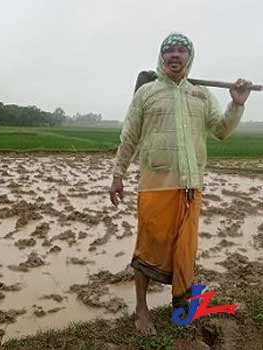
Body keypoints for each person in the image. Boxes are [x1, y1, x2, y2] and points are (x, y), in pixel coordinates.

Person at [109, 33, 252, 335]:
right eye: (169, 50)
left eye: (181, 51)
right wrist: (118, 175)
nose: (175, 55)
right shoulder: (147, 92)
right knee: (148, 247)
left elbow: (222, 131)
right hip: (155, 184)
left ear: (190, 57)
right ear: (161, 57)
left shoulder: (199, 95)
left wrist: (236, 105)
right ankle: (141, 309)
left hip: (191, 185)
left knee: (186, 248)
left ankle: (181, 304)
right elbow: (129, 137)